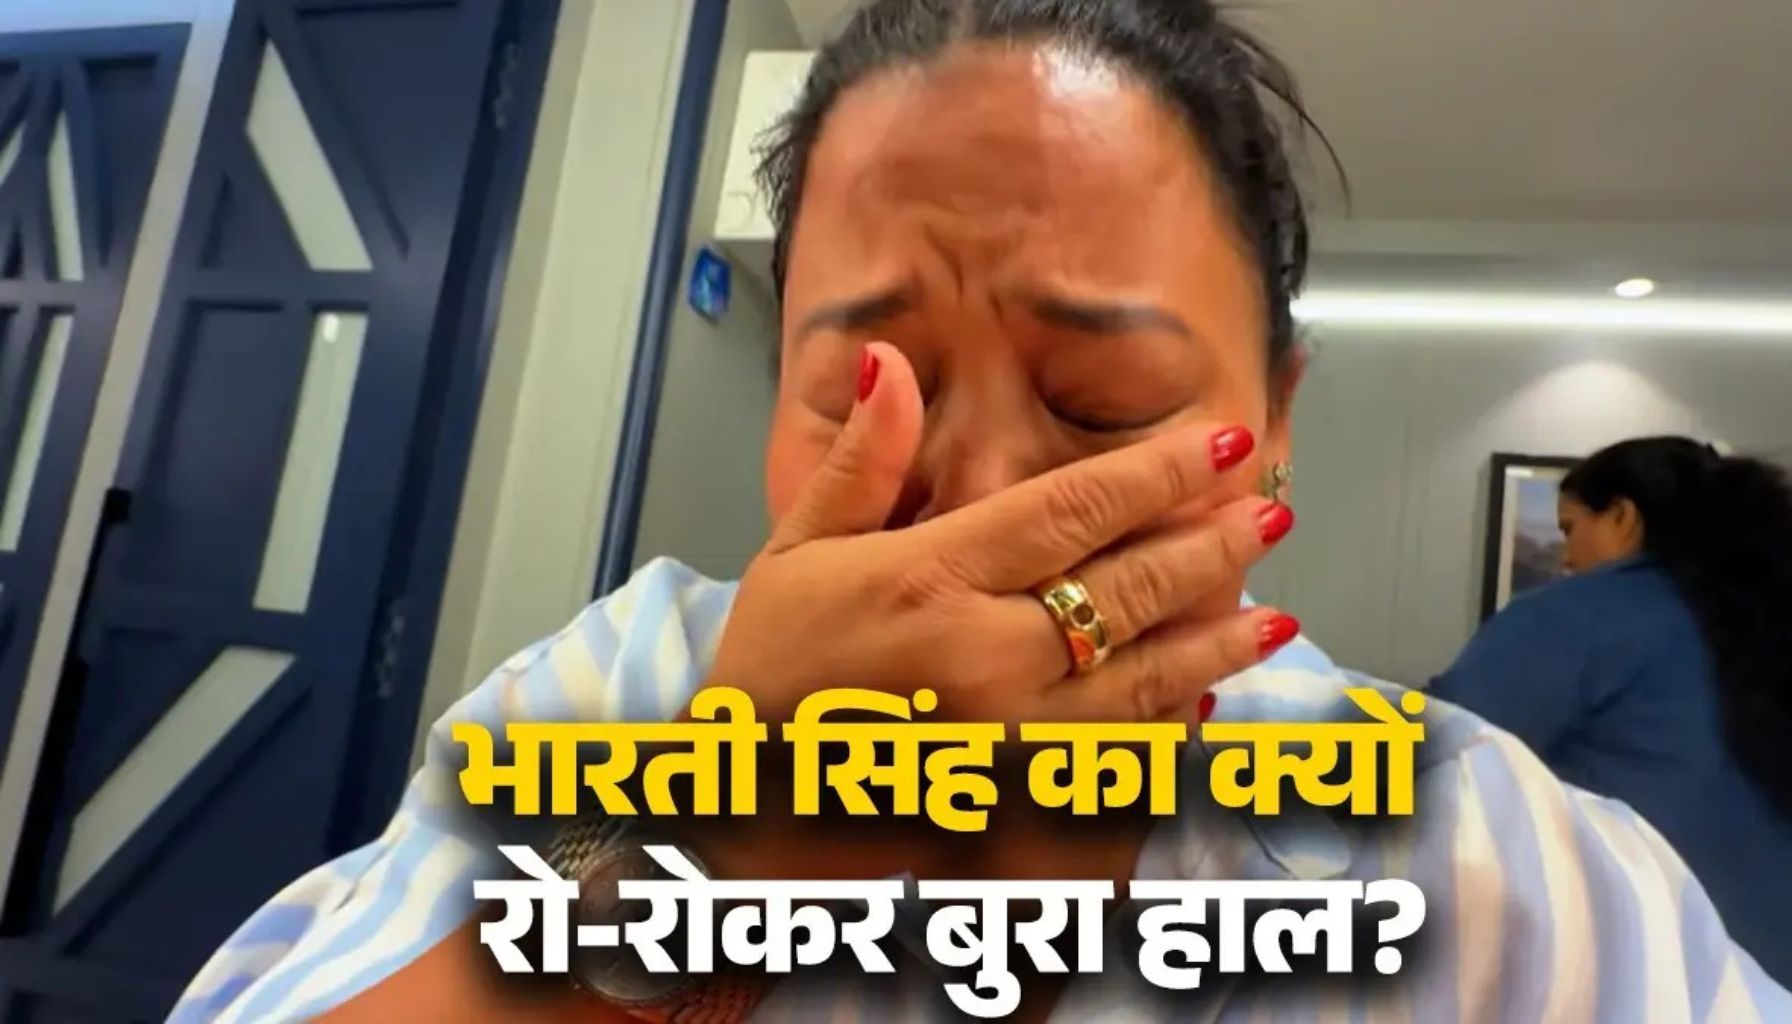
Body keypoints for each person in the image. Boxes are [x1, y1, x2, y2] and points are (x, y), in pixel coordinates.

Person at [173, 2, 1789, 1020]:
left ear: (1274, 421)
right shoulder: (618, 682)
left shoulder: (1479, 847)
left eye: (1104, 404)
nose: (988, 495)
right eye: (862, 392)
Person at [1431, 436, 1792, 987]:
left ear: (1623, 516)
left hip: (1651, 979)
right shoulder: (1762, 626)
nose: (1566, 557)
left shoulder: (1577, 618)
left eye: (1570, 528)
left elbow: (1434, 757)